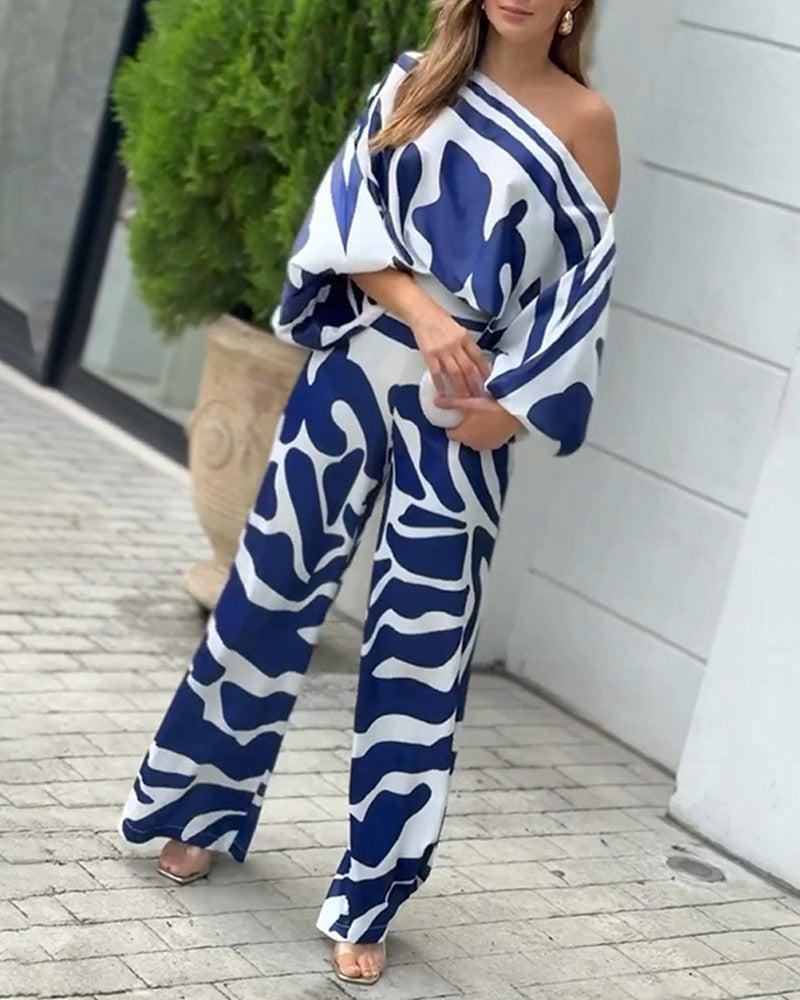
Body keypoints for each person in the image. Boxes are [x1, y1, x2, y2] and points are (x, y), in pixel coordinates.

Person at [120, 0, 619, 985]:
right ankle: (199, 806)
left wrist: (513, 409)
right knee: (266, 593)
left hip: (468, 406)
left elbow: (580, 292)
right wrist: (426, 316)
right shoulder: (413, 77)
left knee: (422, 646)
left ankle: (370, 892)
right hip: (353, 368)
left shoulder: (586, 121)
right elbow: (346, 219)